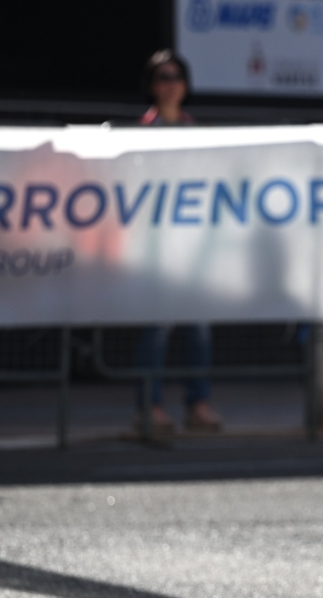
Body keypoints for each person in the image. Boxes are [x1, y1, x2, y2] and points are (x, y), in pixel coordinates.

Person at [134, 50, 221, 435]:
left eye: (176, 77)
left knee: (198, 328)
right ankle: (149, 407)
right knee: (156, 328)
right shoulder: (138, 132)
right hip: (152, 250)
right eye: (162, 77)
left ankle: (197, 404)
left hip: (190, 248)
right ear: (152, 85)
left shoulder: (195, 131)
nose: (170, 84)